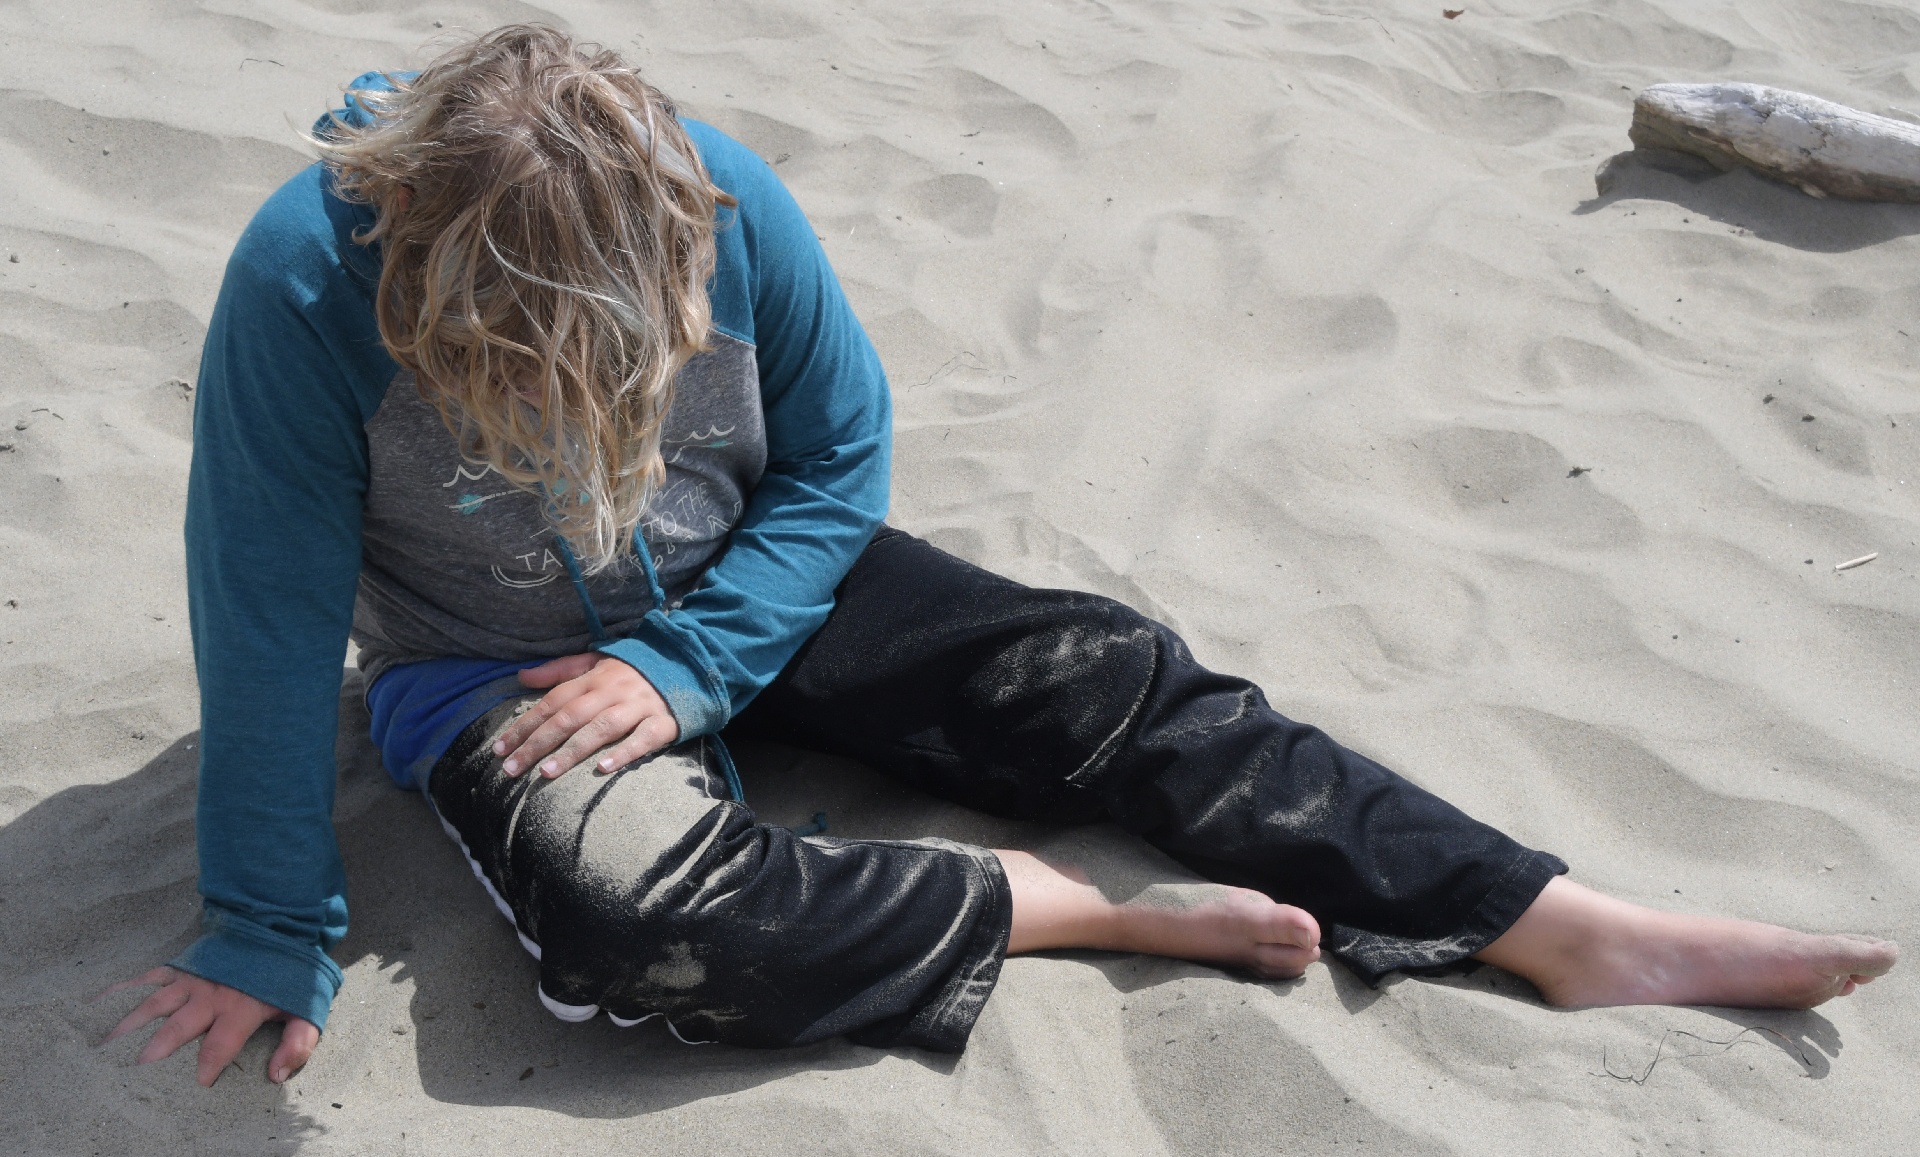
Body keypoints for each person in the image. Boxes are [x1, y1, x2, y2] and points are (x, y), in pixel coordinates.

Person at [106, 25, 1895, 1087]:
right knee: (645, 936)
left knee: (1104, 671)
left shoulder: (713, 197)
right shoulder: (308, 285)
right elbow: (261, 612)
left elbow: (836, 460)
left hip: (751, 581)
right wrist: (267, 926)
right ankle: (1074, 911)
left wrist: (692, 661)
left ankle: (1555, 923)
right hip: (489, 664)